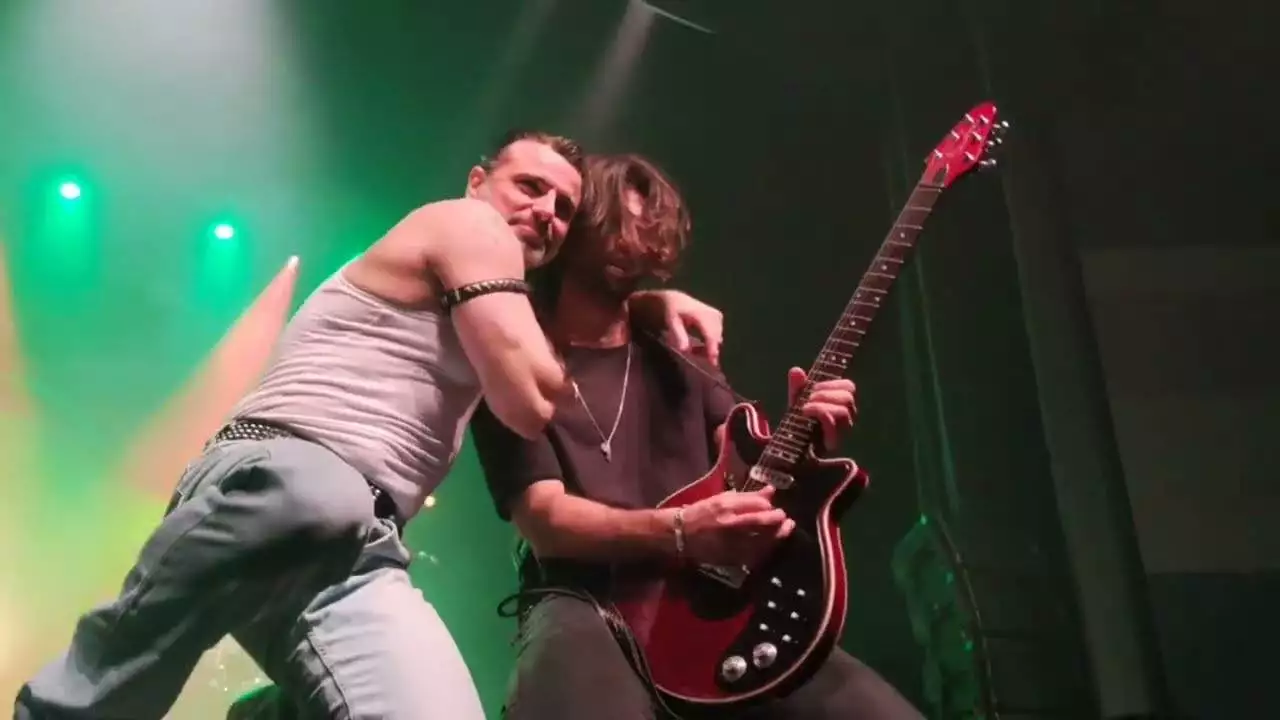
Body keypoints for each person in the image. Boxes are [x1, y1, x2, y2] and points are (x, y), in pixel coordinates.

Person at [15, 130, 726, 720]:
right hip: (289, 473)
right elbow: (528, 398)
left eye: (565, 208)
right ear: (478, 181)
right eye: (530, 187)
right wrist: (627, 313)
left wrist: (640, 307)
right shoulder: (468, 224)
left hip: (363, 541)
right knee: (102, 695)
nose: (546, 212)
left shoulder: (492, 292)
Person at [468, 152, 925, 719]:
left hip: (709, 600)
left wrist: (805, 438)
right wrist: (683, 531)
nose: (636, 245)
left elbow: (749, 472)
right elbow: (546, 523)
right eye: (619, 225)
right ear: (578, 223)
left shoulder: (683, 358)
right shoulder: (510, 362)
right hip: (584, 599)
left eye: (649, 231)